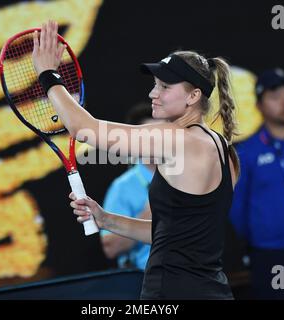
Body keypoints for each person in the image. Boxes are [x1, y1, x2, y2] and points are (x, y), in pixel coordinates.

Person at [32, 20, 239, 299]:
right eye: (155, 85)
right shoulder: (225, 149)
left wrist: (47, 75)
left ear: (193, 96)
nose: (153, 94)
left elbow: (84, 129)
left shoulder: (175, 138)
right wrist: (106, 220)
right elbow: (172, 236)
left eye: (165, 86)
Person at [230, 68, 284, 299]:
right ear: (259, 105)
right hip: (271, 253)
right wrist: (259, 237)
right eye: (275, 96)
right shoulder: (246, 151)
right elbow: (236, 207)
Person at [100, 103, 157, 270]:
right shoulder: (122, 187)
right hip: (147, 280)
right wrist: (150, 212)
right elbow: (110, 247)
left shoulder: (188, 175)